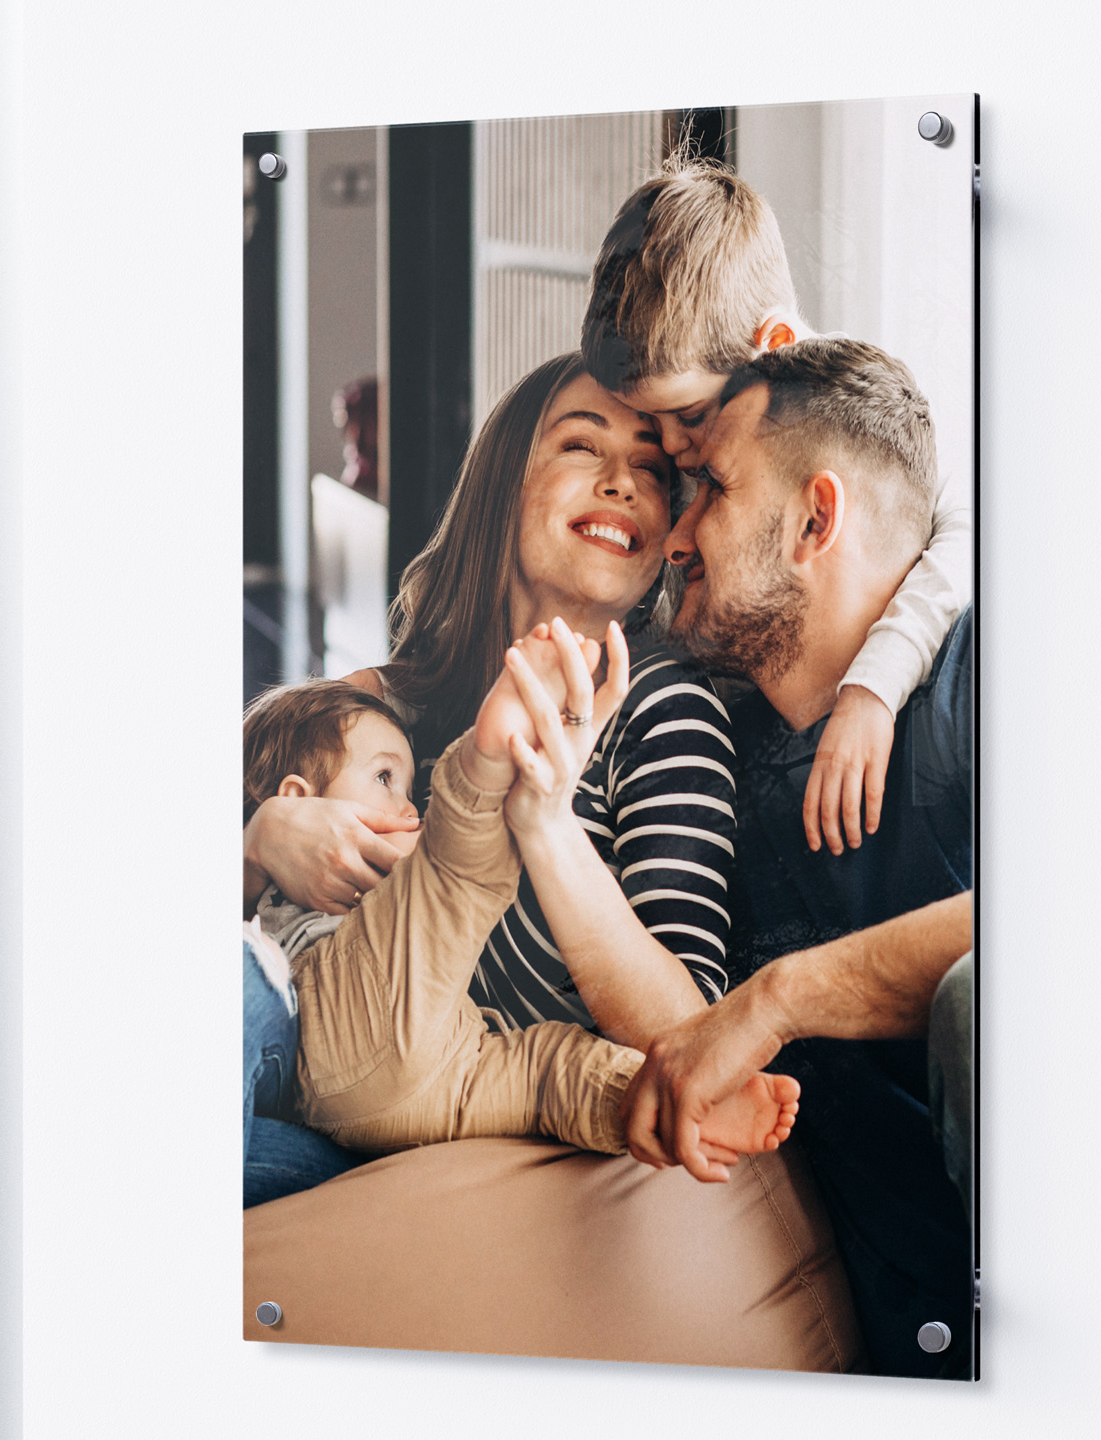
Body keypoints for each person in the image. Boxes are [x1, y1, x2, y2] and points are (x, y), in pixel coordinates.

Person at [241, 353, 745, 1199]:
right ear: (506, 481)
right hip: (293, 1103)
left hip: (434, 1145)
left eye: (652, 470)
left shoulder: (665, 710)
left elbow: (688, 1030)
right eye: (583, 447)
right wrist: (258, 845)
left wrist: (545, 826)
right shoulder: (384, 705)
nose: (622, 481)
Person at [620, 338, 977, 1380]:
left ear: (817, 520)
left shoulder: (972, 681)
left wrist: (778, 999)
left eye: (711, 491)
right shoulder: (706, 754)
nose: (674, 537)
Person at [240, 646, 798, 1165]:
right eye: (384, 778)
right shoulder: (287, 894)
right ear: (298, 801)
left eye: (410, 788)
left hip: (448, 1057)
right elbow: (444, 870)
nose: (408, 809)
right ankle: (488, 766)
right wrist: (254, 844)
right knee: (455, 871)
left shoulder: (670, 708)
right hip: (340, 1020)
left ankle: (667, 1105)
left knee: (550, 1075)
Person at [580, 157, 970, 862]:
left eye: (689, 415)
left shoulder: (863, 435)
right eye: (649, 426)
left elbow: (970, 539)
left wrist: (872, 690)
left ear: (775, 346)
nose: (674, 450)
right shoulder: (683, 455)